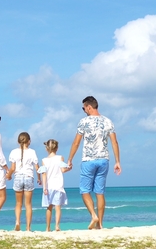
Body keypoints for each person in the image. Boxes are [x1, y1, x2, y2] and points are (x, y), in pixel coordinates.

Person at [67, 96, 121, 230]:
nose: (84, 110)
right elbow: (114, 142)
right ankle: (100, 224)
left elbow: (76, 142)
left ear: (89, 107)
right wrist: (117, 161)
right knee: (100, 192)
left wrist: (70, 159)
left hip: (88, 160)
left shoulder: (84, 122)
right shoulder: (108, 121)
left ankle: (93, 215)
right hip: (104, 160)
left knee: (85, 190)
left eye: (83, 108)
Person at [6, 132, 41, 231]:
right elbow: (37, 167)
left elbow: (13, 168)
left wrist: (8, 176)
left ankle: (17, 222)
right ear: (29, 141)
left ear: (18, 141)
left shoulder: (13, 152)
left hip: (18, 177)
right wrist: (39, 178)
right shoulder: (32, 152)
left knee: (18, 203)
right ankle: (28, 228)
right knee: (28, 204)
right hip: (29, 177)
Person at [40, 139, 69, 232]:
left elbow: (43, 174)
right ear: (57, 148)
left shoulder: (44, 160)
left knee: (49, 208)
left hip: (49, 186)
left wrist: (44, 188)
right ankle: (57, 226)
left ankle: (47, 227)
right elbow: (63, 170)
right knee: (57, 207)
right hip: (58, 186)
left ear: (46, 149)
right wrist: (69, 168)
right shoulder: (60, 157)